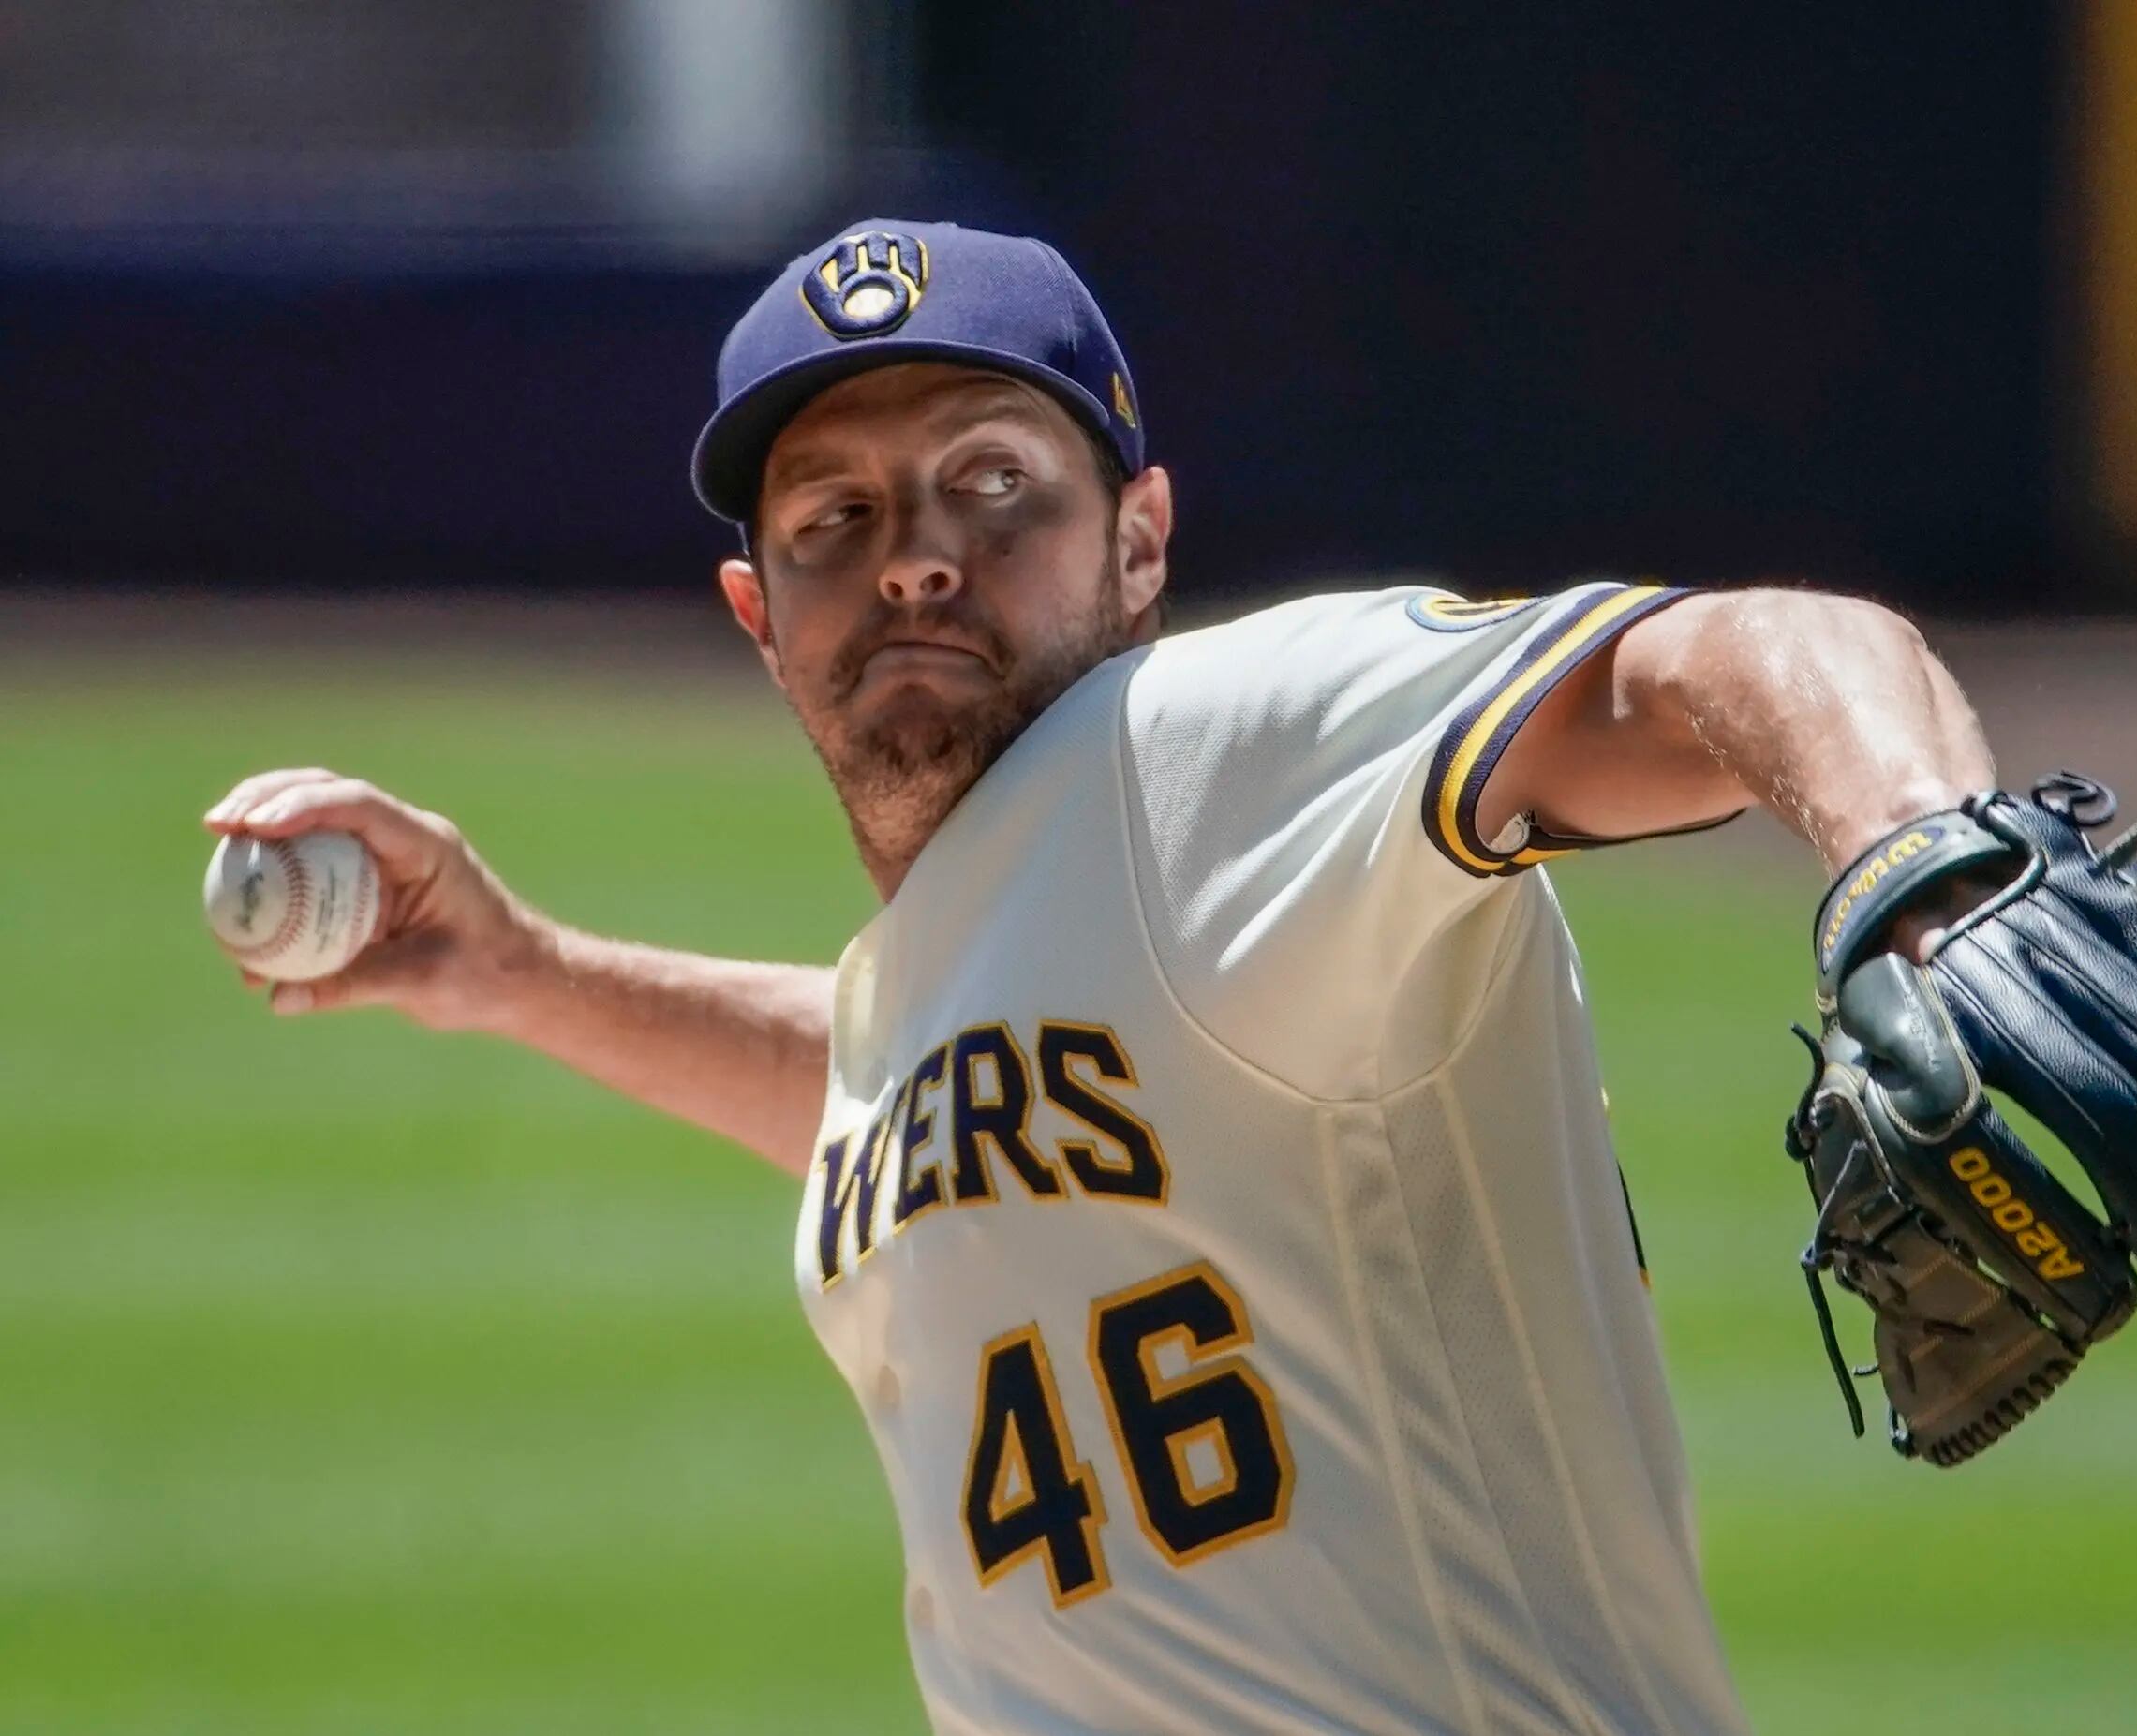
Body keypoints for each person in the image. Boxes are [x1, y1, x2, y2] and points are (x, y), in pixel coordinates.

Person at [205, 218, 2002, 1735]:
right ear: (760, 613)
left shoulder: (1211, 744)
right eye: (830, 516)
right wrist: (528, 971)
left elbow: (1753, 651)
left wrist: (1936, 877)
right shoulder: (976, 958)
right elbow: (906, 1099)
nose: (911, 551)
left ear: (1141, 538)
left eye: (991, 483)